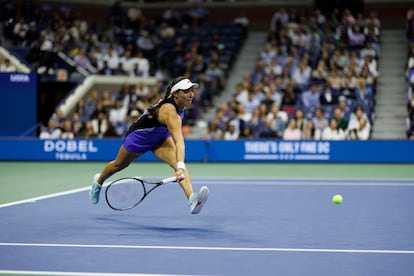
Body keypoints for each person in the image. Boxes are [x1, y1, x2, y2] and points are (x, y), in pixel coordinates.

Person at [89, 76, 209, 214]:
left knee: (177, 162)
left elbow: (178, 145)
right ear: (176, 94)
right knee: (119, 165)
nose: (191, 94)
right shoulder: (170, 112)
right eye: (186, 91)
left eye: (191, 90)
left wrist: (180, 167)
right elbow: (179, 141)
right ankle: (98, 182)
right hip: (139, 138)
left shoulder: (180, 105)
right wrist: (181, 166)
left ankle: (192, 199)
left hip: (160, 138)